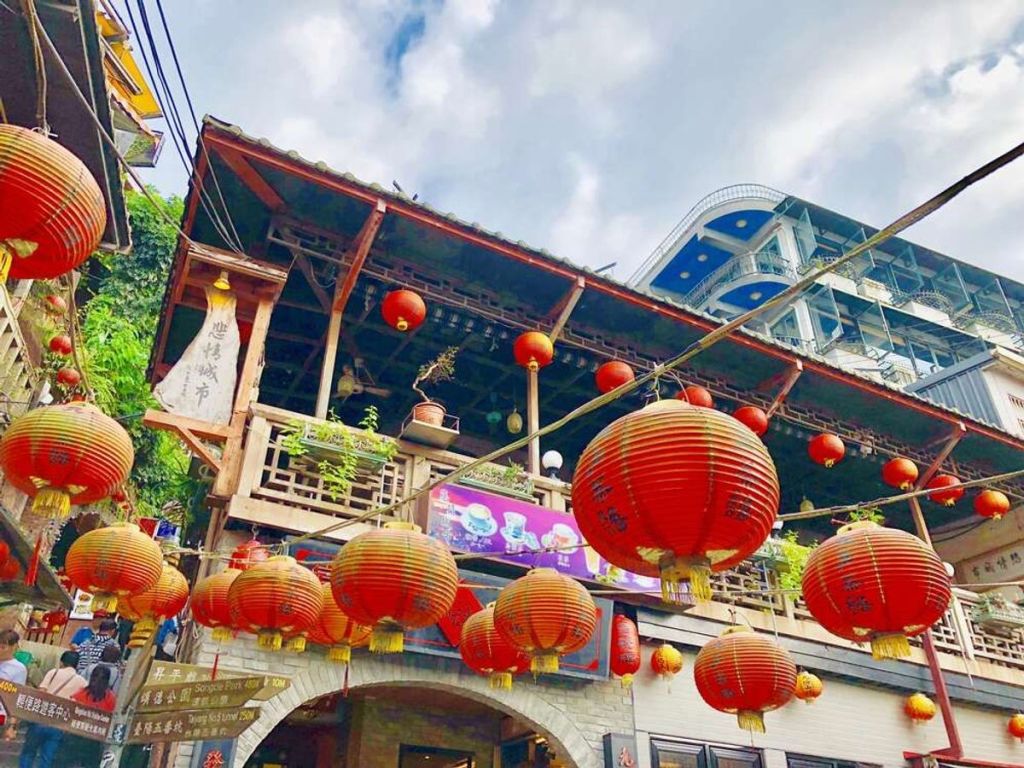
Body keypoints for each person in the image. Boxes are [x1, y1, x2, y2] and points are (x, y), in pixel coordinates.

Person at [18, 651, 85, 768]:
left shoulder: (53, 672)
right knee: (47, 758)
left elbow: (41, 692)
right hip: (60, 724)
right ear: (77, 664)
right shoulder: (82, 682)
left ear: (61, 662)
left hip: (41, 719)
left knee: (28, 753)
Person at [65, 666, 115, 768]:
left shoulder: (83, 693)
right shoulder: (109, 698)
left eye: (100, 680)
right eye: (96, 678)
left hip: (84, 740)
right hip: (86, 740)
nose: (97, 682)